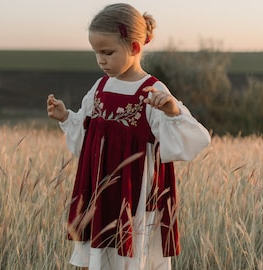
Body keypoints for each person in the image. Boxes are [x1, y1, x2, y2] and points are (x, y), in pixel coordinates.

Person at [47, 3, 210, 270]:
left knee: (131, 261)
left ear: (134, 47)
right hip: (99, 194)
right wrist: (66, 117)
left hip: (134, 196)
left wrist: (172, 110)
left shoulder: (152, 90)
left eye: (108, 52)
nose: (101, 60)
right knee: (97, 260)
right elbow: (87, 138)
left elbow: (195, 137)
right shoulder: (100, 86)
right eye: (96, 53)